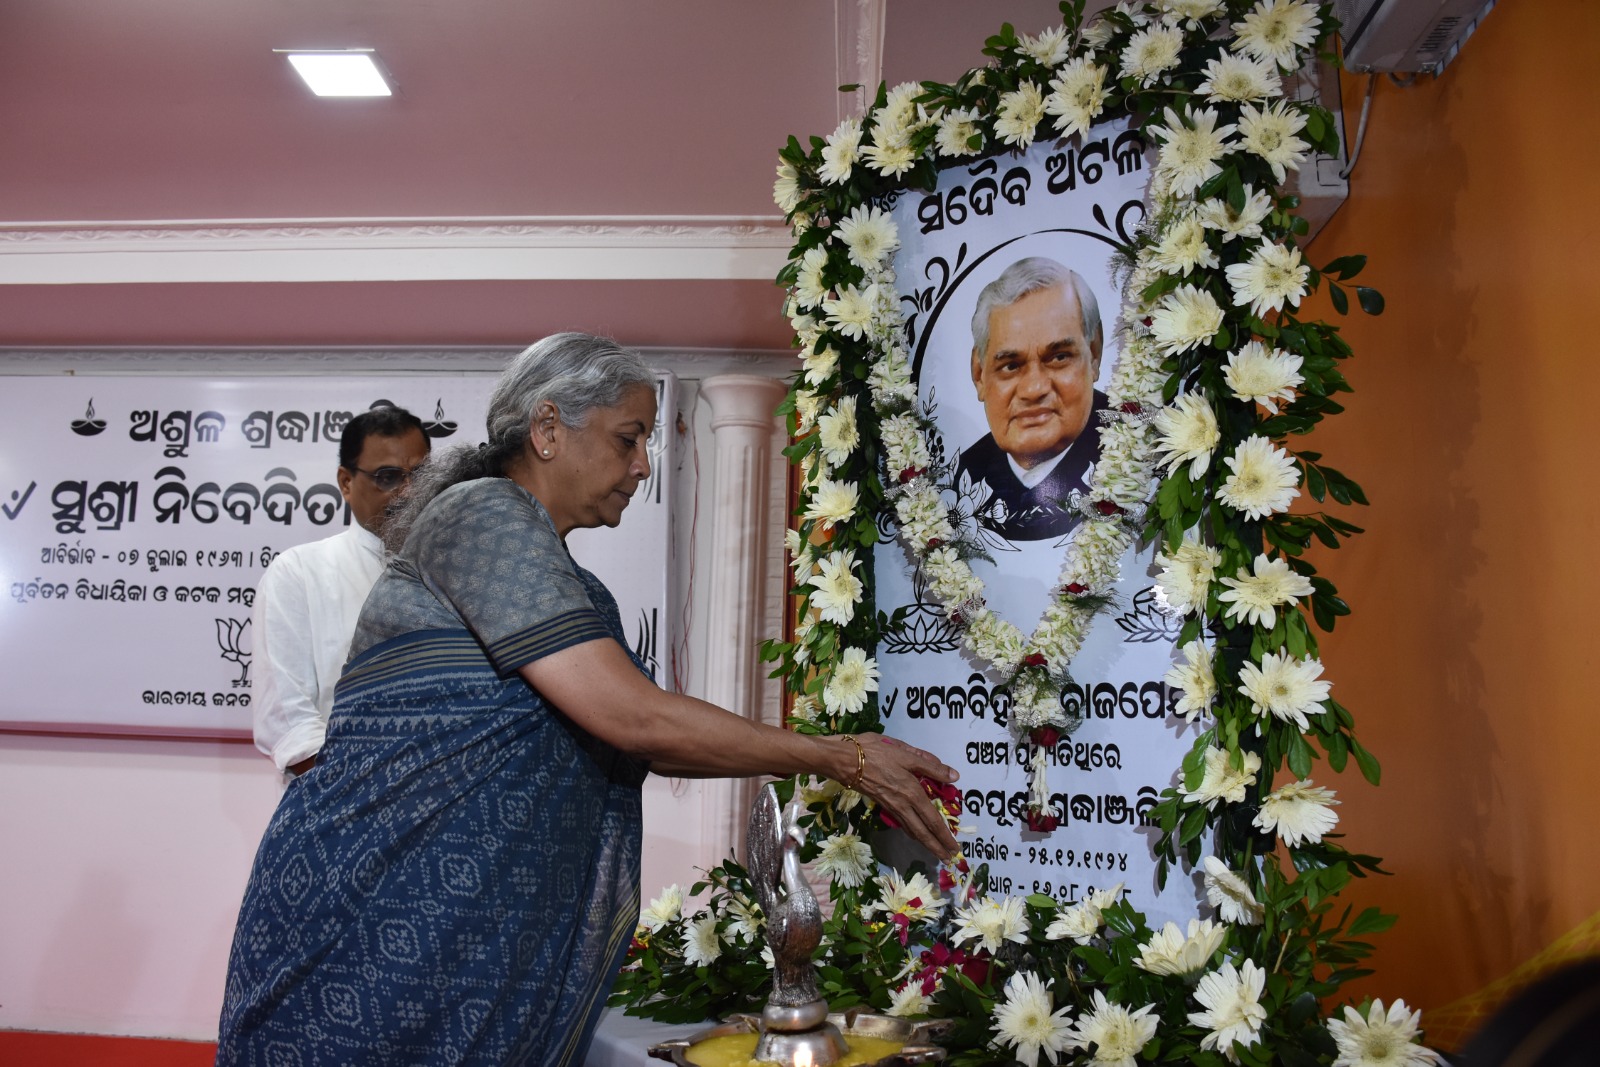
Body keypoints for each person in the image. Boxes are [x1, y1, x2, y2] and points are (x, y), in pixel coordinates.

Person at [216, 333, 959, 1067]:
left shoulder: (575, 585)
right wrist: (841, 756)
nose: (641, 465)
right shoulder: (482, 514)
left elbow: (639, 738)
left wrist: (827, 760)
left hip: (453, 935)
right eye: (628, 438)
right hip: (372, 924)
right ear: (547, 429)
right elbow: (633, 715)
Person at [250, 405, 431, 776]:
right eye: (388, 477)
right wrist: (374, 792)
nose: (409, 492)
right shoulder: (298, 574)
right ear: (346, 482)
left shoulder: (457, 572)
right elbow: (290, 728)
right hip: (341, 813)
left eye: (422, 475)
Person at [955, 256, 1108, 542]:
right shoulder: (958, 481)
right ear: (979, 375)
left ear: (1094, 354)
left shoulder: (1139, 453)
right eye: (1011, 365)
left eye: (1059, 357)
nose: (1034, 388)